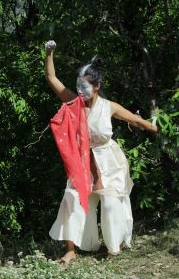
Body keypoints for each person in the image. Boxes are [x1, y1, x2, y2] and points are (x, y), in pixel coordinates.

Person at [44, 40, 158, 265]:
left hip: (108, 161)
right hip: (83, 162)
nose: (80, 90)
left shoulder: (108, 107)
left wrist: (156, 126)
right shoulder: (73, 102)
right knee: (72, 198)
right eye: (78, 86)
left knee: (109, 203)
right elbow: (51, 78)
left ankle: (113, 247)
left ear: (97, 86)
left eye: (85, 86)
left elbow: (136, 120)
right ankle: (70, 250)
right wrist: (49, 53)